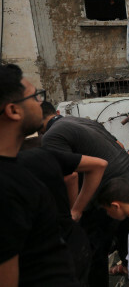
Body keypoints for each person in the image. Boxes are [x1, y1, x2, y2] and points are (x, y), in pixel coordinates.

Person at [41, 104, 129, 286]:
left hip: (108, 188)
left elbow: (70, 175)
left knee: (94, 248)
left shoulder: (51, 137)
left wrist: (76, 210)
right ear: (56, 113)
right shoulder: (80, 121)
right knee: (125, 234)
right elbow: (118, 144)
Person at [0, 64, 80, 287]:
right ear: (13, 110)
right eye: (35, 96)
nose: (39, 102)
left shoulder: (16, 168)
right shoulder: (5, 186)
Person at [19, 102, 108, 285]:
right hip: (71, 241)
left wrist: (75, 209)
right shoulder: (70, 126)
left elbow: (72, 176)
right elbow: (98, 164)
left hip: (53, 248)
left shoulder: (45, 145)